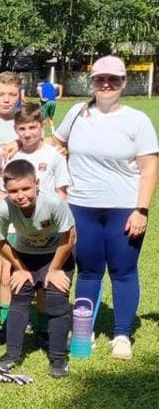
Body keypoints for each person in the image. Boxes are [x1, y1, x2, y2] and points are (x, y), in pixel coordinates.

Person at [51, 55, 157, 359]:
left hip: (124, 208)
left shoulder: (137, 120)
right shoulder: (77, 112)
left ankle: (122, 335)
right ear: (92, 82)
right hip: (81, 206)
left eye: (113, 79)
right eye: (100, 79)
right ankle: (83, 332)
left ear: (124, 82)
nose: (106, 84)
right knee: (88, 271)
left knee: (123, 271)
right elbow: (56, 144)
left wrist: (141, 210)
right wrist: (16, 146)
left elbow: (150, 169)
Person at [0, 160, 76, 378]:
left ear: (36, 184)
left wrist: (54, 269)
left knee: (56, 301)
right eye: (13, 191)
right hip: (25, 257)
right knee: (19, 301)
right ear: (6, 190)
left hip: (57, 256)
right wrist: (19, 268)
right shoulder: (4, 209)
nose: (20, 195)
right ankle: (12, 354)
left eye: (26, 188)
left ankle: (58, 359)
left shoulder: (54, 202)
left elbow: (69, 237)